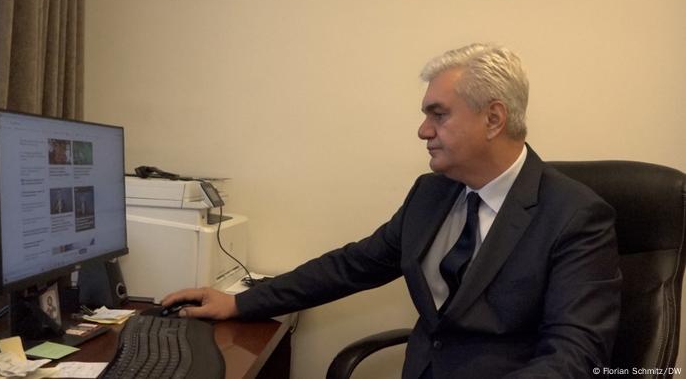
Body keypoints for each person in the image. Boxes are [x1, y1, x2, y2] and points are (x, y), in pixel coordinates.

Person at [162, 43, 621, 378]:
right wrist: (240, 302)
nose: (423, 130)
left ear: (493, 118)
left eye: (438, 114)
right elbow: (353, 265)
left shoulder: (575, 215)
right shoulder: (432, 192)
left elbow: (574, 354)